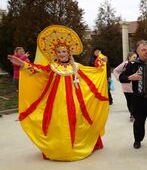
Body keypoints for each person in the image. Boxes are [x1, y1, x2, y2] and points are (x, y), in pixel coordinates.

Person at [7, 25, 109, 161]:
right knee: (57, 124)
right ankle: (58, 148)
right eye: (59, 52)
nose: (61, 54)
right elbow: (38, 70)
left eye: (64, 51)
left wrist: (101, 60)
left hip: (75, 101)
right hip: (55, 103)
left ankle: (75, 147)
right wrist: (23, 64)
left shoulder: (76, 67)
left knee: (77, 121)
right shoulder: (52, 67)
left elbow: (93, 73)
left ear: (69, 53)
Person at [113, 53, 137, 121]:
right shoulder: (125, 64)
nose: (135, 59)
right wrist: (119, 78)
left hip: (134, 87)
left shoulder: (136, 64)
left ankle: (134, 114)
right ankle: (132, 114)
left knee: (135, 101)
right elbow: (115, 70)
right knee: (129, 101)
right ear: (129, 57)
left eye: (136, 57)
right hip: (126, 86)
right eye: (134, 57)